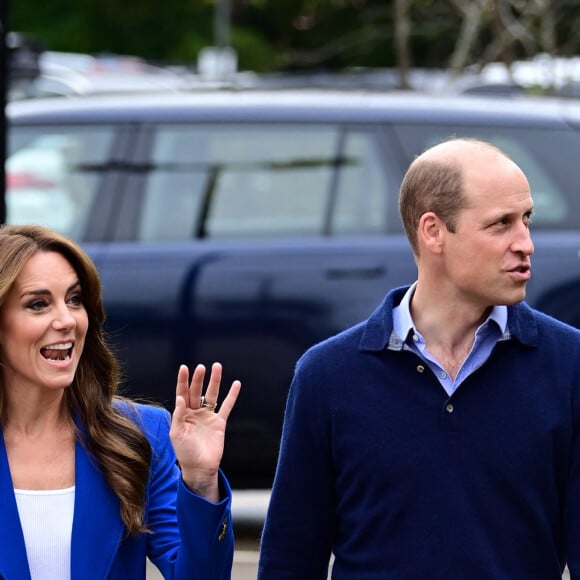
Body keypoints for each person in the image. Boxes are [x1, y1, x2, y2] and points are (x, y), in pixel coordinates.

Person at [258, 137, 580, 579]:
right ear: (433, 231)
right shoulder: (327, 376)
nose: (526, 243)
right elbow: (289, 560)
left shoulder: (570, 366)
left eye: (526, 219)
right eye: (501, 224)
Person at [0, 224, 241, 579]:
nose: (67, 320)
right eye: (38, 304)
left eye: (75, 299)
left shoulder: (142, 434)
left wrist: (201, 481)